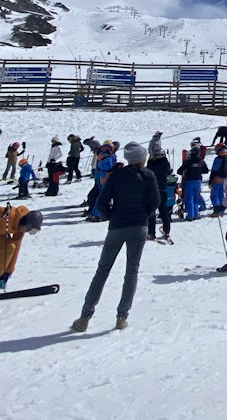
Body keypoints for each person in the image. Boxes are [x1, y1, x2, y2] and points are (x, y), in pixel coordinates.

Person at [71, 142, 160, 332]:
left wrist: (110, 215)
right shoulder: (148, 175)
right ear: (142, 158)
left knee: (102, 270)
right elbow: (155, 201)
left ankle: (85, 316)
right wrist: (144, 214)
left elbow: (102, 200)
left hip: (117, 225)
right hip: (139, 226)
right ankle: (122, 316)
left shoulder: (117, 175)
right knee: (132, 271)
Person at [147, 139, 173, 241]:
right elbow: (169, 171)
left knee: (152, 212)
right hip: (163, 189)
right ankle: (166, 231)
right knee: (164, 211)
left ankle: (151, 232)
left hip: (152, 190)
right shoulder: (165, 162)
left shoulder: (151, 163)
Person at [176, 144, 208, 221]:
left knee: (189, 198)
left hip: (189, 181)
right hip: (198, 181)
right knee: (196, 198)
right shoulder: (201, 161)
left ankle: (190, 215)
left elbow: (179, 171)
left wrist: (185, 172)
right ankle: (196, 214)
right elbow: (206, 171)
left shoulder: (188, 162)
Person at [209, 145, 227, 216]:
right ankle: (222, 211)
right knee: (221, 194)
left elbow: (214, 170)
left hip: (217, 179)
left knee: (214, 195)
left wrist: (210, 181)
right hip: (225, 180)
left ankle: (217, 210)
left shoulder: (218, 159)